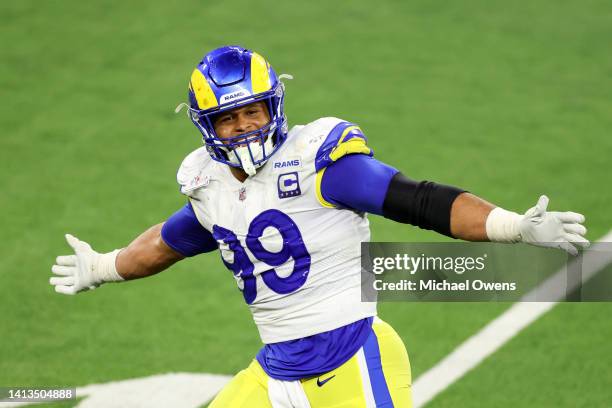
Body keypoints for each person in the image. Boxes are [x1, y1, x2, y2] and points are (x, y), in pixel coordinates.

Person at [50, 45, 589, 407]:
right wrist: (104, 267)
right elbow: (171, 241)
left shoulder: (321, 163)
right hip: (276, 373)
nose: (243, 127)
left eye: (253, 112)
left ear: (273, 108)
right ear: (207, 125)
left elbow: (419, 201)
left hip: (352, 359)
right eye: (228, 118)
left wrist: (512, 225)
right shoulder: (209, 184)